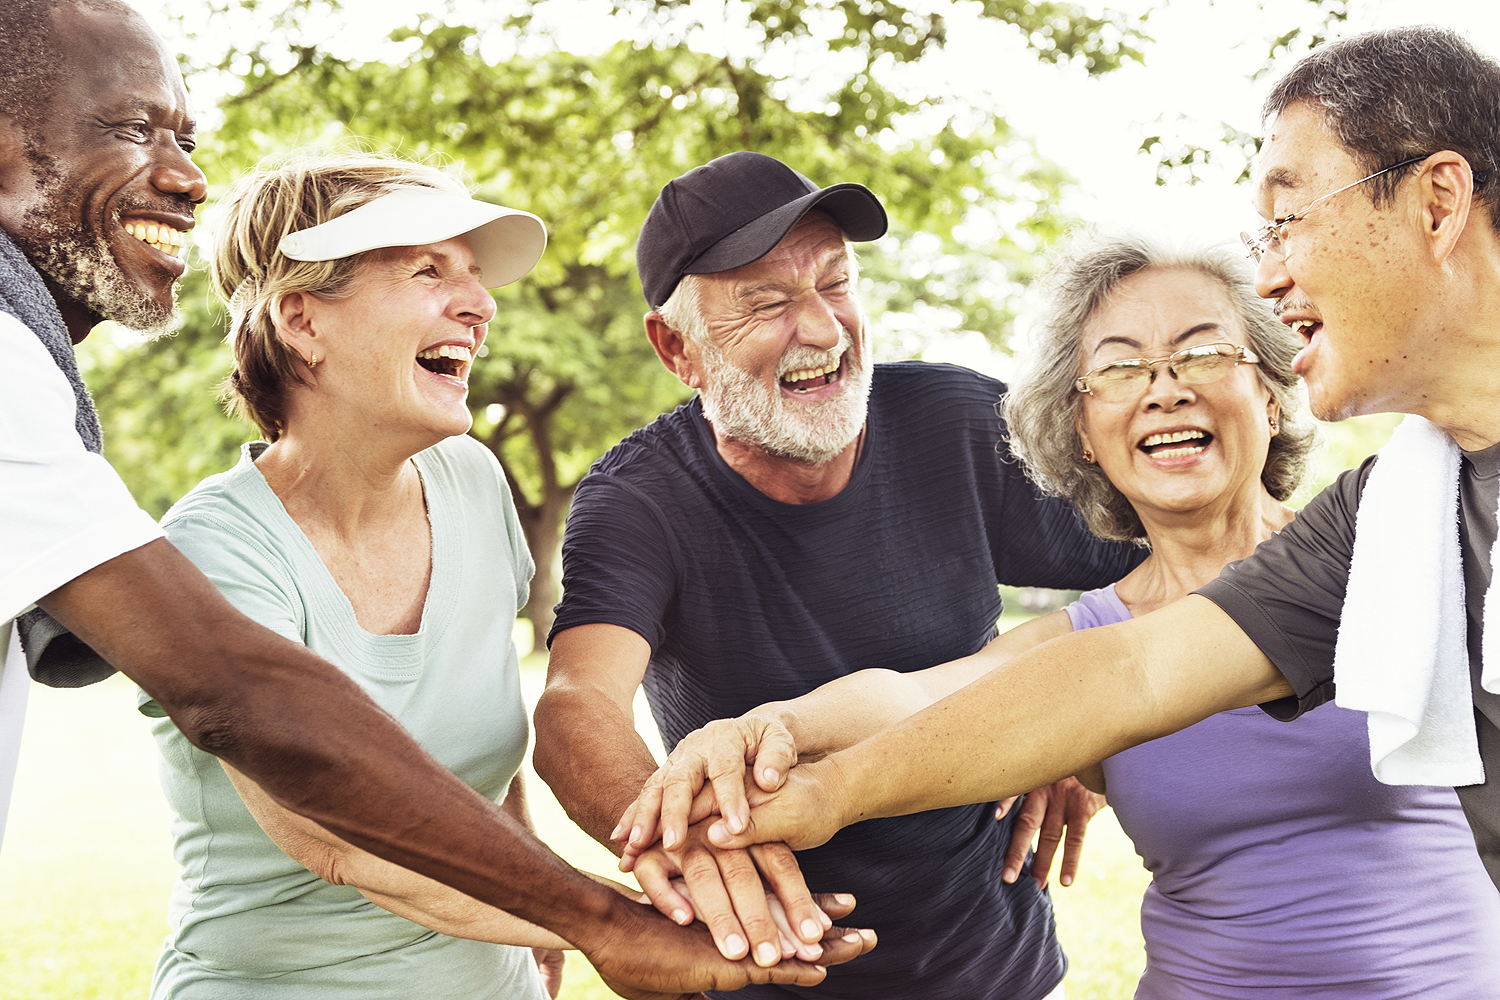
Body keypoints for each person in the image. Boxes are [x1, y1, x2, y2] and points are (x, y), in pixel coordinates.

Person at [0, 3, 867, 995]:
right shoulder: (213, 546)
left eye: (474, 274)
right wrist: (606, 922)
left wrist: (538, 936)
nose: (480, 302)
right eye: (427, 270)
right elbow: (337, 838)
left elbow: (482, 761)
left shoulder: (472, 483)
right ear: (301, 321)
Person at [668, 25, 1500, 900]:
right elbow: (1127, 673)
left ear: (1438, 204)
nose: (1271, 278)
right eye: (1119, 370)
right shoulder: (1397, 519)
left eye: (1289, 221)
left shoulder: (1394, 533)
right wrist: (810, 774)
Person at [624, 230, 1500, 996]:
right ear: (1082, 430)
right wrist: (760, 728)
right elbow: (916, 697)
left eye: (1201, 354)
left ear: (1271, 393)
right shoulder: (1086, 641)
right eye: (1120, 368)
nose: (1163, 389)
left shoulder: (1399, 546)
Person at [533, 150, 1143, 1000]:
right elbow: (576, 704)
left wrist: (1080, 725)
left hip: (996, 968)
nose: (821, 329)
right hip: (772, 968)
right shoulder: (639, 500)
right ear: (678, 348)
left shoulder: (961, 423)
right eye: (768, 303)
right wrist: (686, 846)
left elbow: (1190, 556)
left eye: (835, 283)